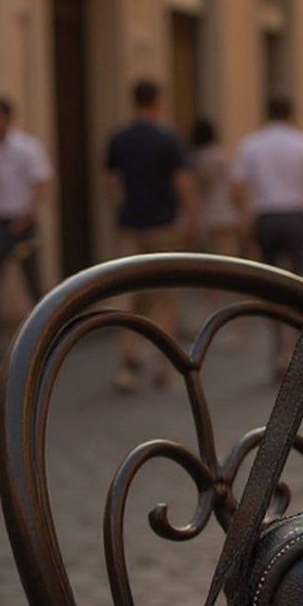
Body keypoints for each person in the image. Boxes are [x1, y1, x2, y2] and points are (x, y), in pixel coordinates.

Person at [231, 96, 303, 374]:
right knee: (299, 285)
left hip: (265, 219)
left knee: (272, 286)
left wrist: (246, 217)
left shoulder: (250, 144)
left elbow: (237, 187)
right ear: (292, 113)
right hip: (295, 220)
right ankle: (295, 350)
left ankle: (280, 350)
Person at [104, 80, 198, 391]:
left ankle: (127, 363)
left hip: (131, 226)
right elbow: (183, 183)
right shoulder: (169, 139)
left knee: (130, 294)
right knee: (165, 296)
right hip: (163, 225)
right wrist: (191, 219)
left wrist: (121, 212)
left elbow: (110, 184)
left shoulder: (119, 139)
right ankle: (163, 365)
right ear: (158, 101)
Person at [0, 94, 51, 363]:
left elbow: (41, 183)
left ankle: (50, 333)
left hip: (24, 223)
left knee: (33, 282)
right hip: (3, 223)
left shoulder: (27, 147)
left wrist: (26, 215)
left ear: (6, 118)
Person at [191, 116, 240, 258]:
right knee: (227, 256)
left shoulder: (197, 158)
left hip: (205, 213)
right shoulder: (220, 155)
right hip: (224, 211)